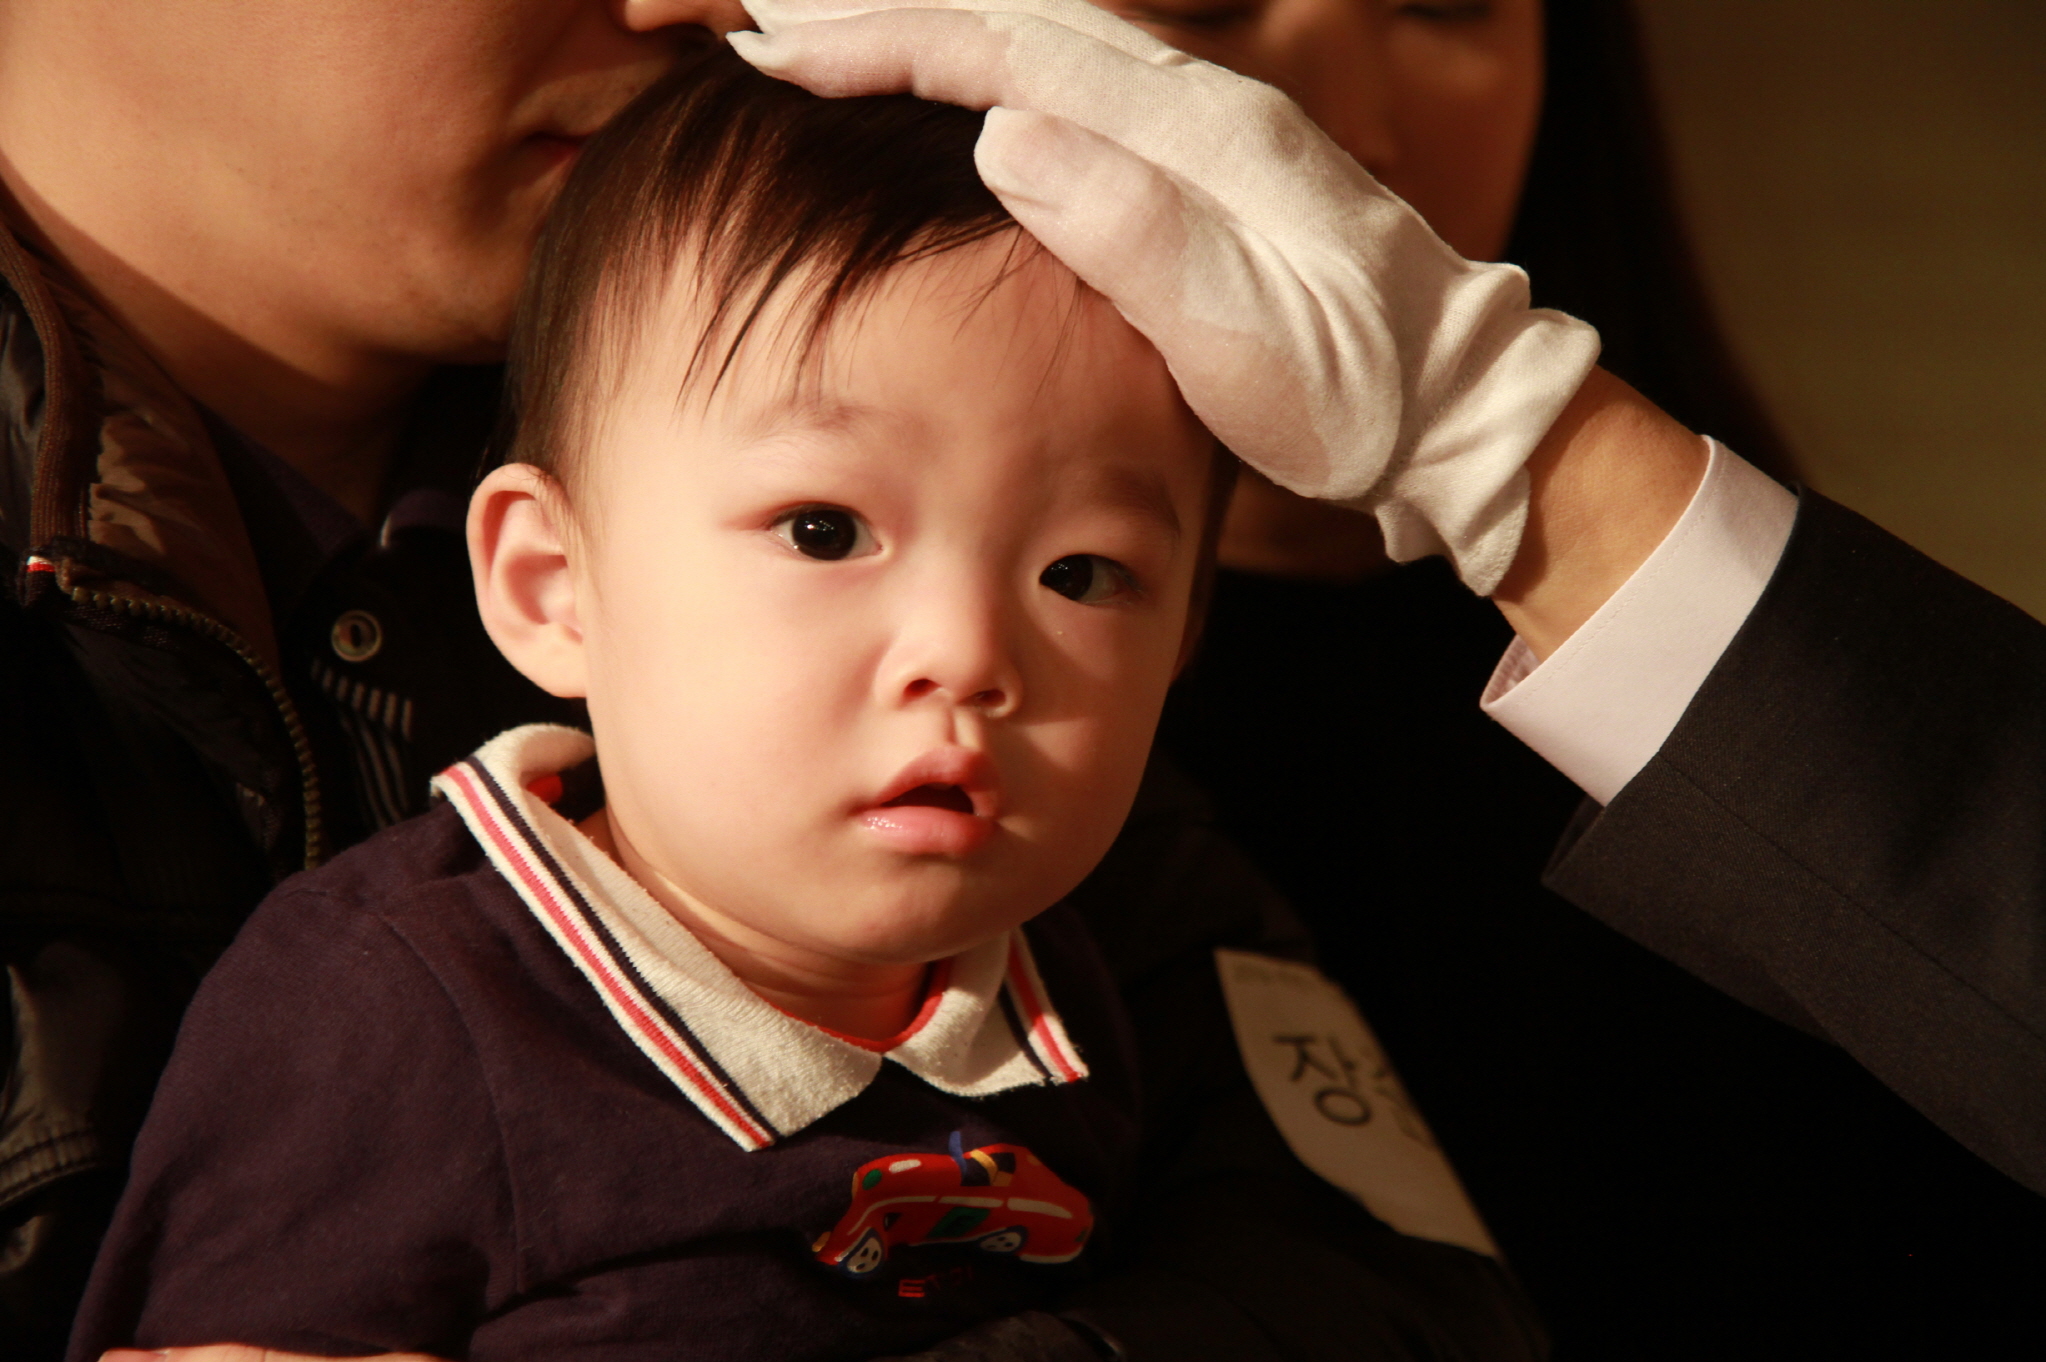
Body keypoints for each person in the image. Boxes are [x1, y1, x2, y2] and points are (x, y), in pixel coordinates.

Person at [65, 48, 1543, 1362]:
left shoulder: (1071, 980)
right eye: (825, 532)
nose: (966, 655)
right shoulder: (387, 1011)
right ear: (551, 583)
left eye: (1083, 573)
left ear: (1184, 640)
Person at [731, 0, 2046, 1356]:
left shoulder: (1779, 715)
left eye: (1442, 1)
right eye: (1198, 5)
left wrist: (1506, 437)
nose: (1345, 126)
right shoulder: (817, 735)